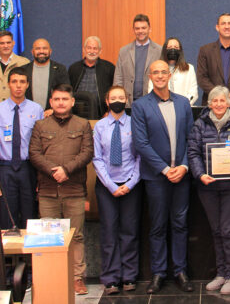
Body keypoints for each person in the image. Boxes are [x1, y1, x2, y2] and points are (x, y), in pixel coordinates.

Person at [131, 60, 195, 294]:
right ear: (150, 76)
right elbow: (141, 143)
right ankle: (158, 273)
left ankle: (180, 271)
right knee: (157, 226)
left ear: (170, 75)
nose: (159, 76)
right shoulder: (140, 106)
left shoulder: (183, 103)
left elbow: (192, 139)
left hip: (182, 176)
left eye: (163, 72)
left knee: (180, 224)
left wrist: (185, 166)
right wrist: (165, 169)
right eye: (155, 72)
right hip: (157, 177)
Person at [29, 83, 94, 295]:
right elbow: (34, 154)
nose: (61, 103)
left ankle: (77, 279)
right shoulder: (40, 125)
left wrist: (66, 169)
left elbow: (87, 153)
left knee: (76, 236)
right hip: (48, 191)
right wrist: (52, 171)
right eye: (56, 99)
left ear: (72, 102)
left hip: (74, 190)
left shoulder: (83, 124)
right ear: (50, 102)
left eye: (65, 99)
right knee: (48, 238)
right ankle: (49, 277)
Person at [187, 85, 230, 295]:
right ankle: (221, 273)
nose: (219, 104)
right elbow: (193, 152)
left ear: (229, 102)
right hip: (208, 187)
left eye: (223, 100)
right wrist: (199, 174)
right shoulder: (199, 125)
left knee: (229, 231)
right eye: (215, 101)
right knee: (216, 231)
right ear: (209, 103)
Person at [92, 85, 142, 296]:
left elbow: (140, 156)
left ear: (127, 100)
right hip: (106, 187)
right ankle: (111, 278)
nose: (117, 100)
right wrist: (112, 186)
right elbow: (97, 158)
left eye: (121, 97)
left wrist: (129, 184)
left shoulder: (134, 124)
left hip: (131, 184)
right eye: (114, 97)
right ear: (107, 101)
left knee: (129, 232)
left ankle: (129, 275)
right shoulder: (100, 126)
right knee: (109, 232)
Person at [0, 66, 44, 230]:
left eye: (22, 82)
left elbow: (40, 146)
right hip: (5, 169)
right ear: (8, 84)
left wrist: (40, 176)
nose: (18, 85)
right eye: (14, 82)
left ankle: (29, 255)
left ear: (27, 85)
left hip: (28, 168)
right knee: (7, 217)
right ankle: (8, 255)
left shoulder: (36, 109)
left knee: (30, 216)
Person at [114, 13, 162, 105]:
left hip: (152, 100)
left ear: (149, 29)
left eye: (143, 28)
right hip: (129, 101)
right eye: (137, 28)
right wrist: (119, 98)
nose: (140, 31)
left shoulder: (159, 51)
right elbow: (118, 77)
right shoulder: (124, 51)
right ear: (133, 30)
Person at [0, 30, 29, 113]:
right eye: (2, 43)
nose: (5, 46)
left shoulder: (24, 63)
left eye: (8, 42)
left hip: (16, 110)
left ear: (13, 43)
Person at [68, 36, 116, 119]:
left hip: (102, 113)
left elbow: (114, 92)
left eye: (95, 48)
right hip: (76, 113)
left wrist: (109, 111)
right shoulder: (74, 68)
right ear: (84, 49)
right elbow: (68, 92)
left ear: (100, 51)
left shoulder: (109, 68)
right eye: (89, 48)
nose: (92, 51)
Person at [23, 38, 70, 114]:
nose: (41, 51)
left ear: (50, 51)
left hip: (53, 116)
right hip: (28, 115)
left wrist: (54, 110)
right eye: (38, 48)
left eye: (44, 48)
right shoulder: (24, 70)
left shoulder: (60, 69)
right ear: (32, 52)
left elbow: (66, 94)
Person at [148, 37, 199, 105]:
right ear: (165, 50)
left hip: (183, 107)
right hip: (160, 108)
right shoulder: (157, 68)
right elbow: (151, 90)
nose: (173, 49)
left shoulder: (189, 68)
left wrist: (182, 106)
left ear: (180, 50)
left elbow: (193, 93)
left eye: (176, 47)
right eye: (170, 47)